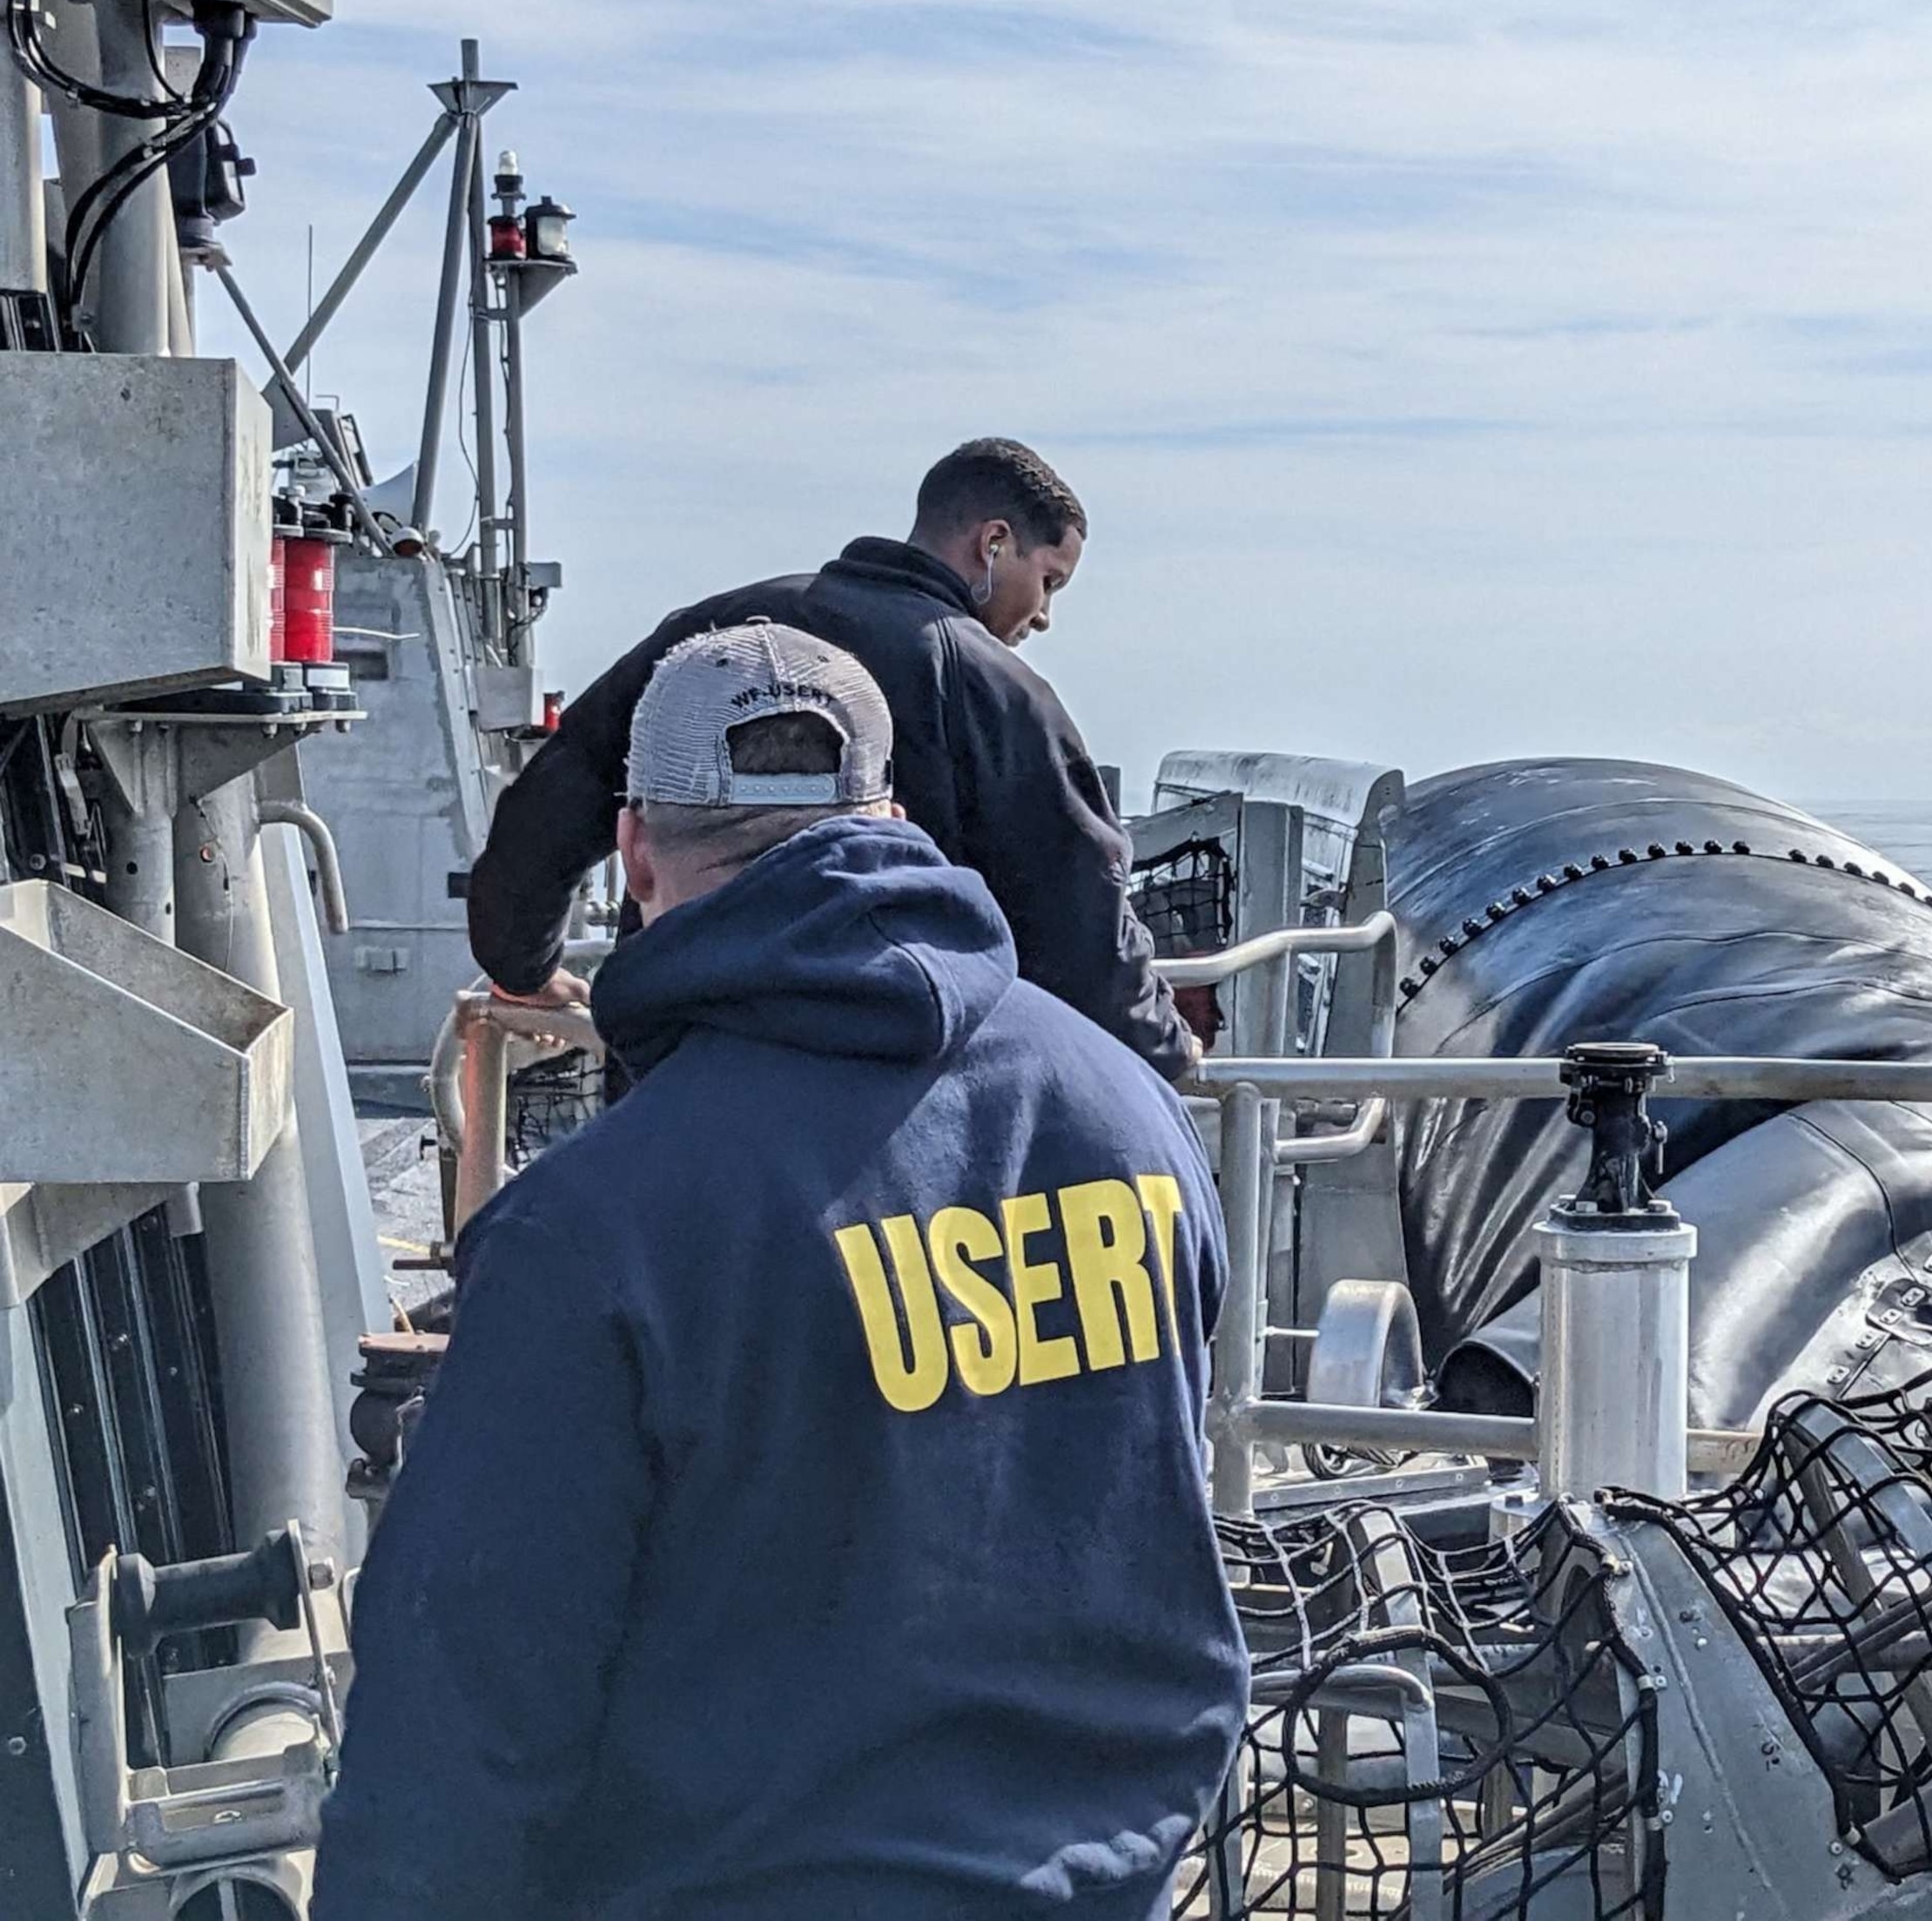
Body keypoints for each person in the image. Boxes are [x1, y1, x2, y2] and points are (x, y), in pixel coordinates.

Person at [315, 623, 1248, 1919]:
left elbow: (462, 1724)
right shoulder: (1135, 1120)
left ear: (635, 848)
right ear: (898, 816)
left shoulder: (594, 1232)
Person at [467, 436, 1198, 1080]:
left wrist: (521, 967)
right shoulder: (1004, 695)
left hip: (679, 1081)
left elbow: (558, 796)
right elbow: (1080, 917)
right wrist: (1167, 1051)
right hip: (890, 1115)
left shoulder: (713, 632)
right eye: (1049, 581)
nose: (1043, 614)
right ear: (994, 543)